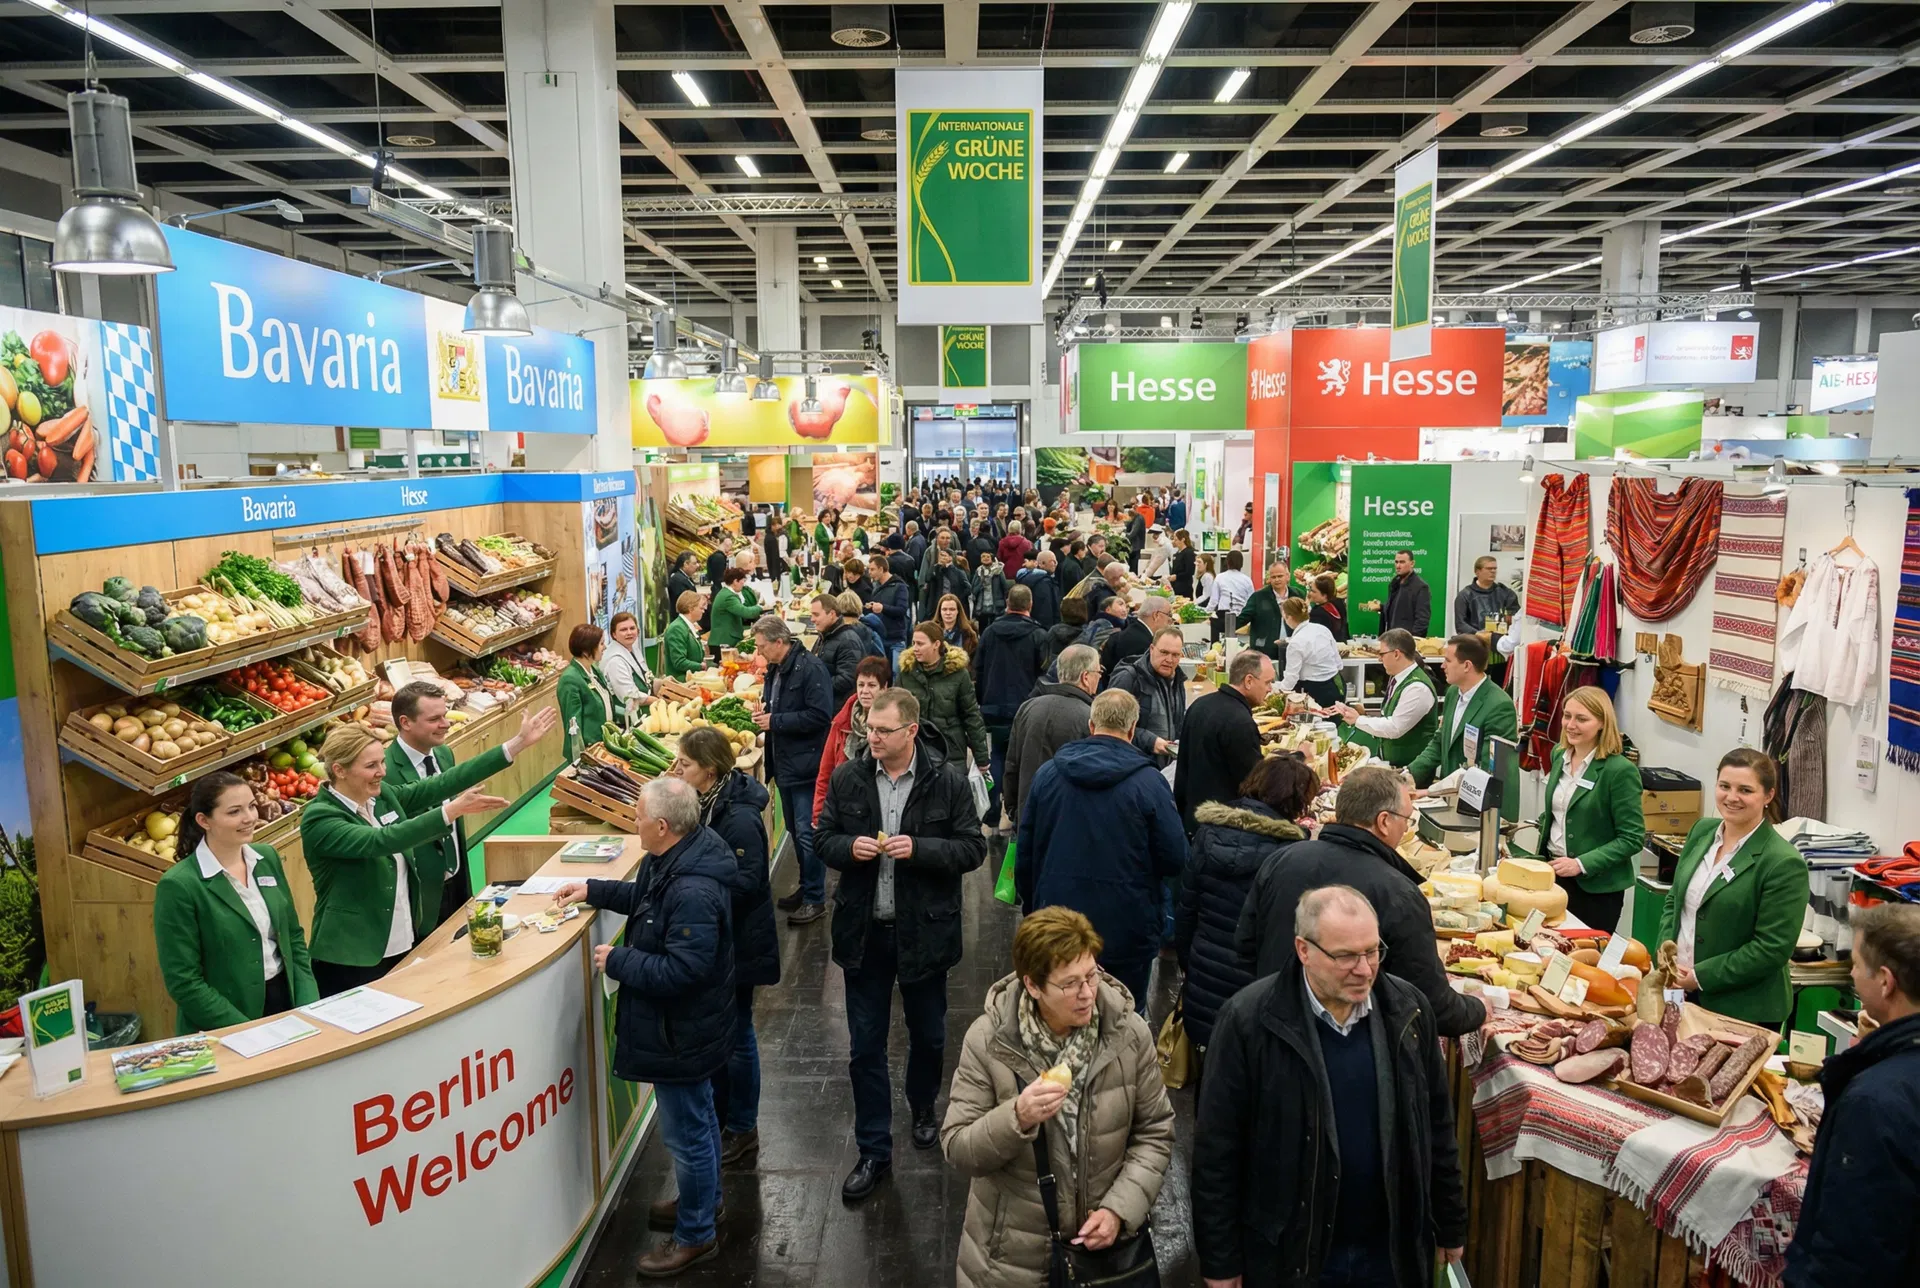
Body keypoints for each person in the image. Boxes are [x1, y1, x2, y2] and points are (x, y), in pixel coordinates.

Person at [1194, 885, 1467, 1288]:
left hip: (1388, 1254)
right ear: (1304, 950)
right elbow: (1217, 1150)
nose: (1364, 969)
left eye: (1372, 952)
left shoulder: (1408, 1012)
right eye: (1345, 956)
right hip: (1294, 1257)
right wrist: (1220, 1261)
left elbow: (1437, 1127)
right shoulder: (1249, 1022)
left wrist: (1450, 1223)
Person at [551, 777, 736, 1278]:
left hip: (681, 1032)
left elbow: (683, 970)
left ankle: (696, 1236)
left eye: (636, 816)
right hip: (684, 1028)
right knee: (695, 1124)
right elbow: (651, 903)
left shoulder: (694, 887)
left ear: (661, 825)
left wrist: (618, 961)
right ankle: (706, 1202)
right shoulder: (677, 857)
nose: (631, 822)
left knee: (688, 1133)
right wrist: (594, 889)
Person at [815, 688, 989, 1201]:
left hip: (925, 933)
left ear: (911, 731)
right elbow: (823, 838)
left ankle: (922, 1106)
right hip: (864, 935)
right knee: (864, 1046)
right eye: (868, 727)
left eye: (881, 730)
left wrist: (922, 849)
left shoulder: (947, 782)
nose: (870, 737)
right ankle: (873, 1148)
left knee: (929, 1035)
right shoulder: (849, 778)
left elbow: (974, 848)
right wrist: (850, 847)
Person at [943, 906, 1176, 1288]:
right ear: (1033, 985)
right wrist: (1016, 1116)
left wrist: (1121, 1209)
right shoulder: (989, 1042)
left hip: (1103, 1258)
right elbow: (958, 1147)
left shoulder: (1128, 1034)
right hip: (1011, 1257)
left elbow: (1155, 1131)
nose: (1087, 994)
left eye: (1092, 975)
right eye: (1070, 984)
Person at [1235, 765, 1488, 1037]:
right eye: (1406, 819)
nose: (1406, 828)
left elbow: (1245, 947)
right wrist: (1479, 1008)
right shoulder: (1399, 894)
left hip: (1273, 1032)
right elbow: (1433, 1007)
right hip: (1349, 1048)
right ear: (1383, 821)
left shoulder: (1282, 859)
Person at [301, 717, 544, 994]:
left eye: (382, 762)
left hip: (403, 940)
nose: (382, 771)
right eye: (371, 766)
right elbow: (381, 841)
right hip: (353, 956)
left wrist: (516, 745)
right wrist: (451, 811)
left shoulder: (381, 797)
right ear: (339, 770)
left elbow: (441, 784)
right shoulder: (321, 818)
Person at [1016, 689, 1188, 1015]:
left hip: (1059, 923)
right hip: (1129, 925)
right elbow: (1175, 857)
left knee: (1061, 1018)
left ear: (1091, 725)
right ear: (1133, 729)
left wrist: (1033, 910)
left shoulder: (1048, 775)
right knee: (1124, 1018)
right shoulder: (1150, 783)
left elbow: (1027, 852)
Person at [1784, 903, 1920, 1287]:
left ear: (1886, 982)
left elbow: (1851, 1250)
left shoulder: (1873, 1101)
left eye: (1857, 965)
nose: (1853, 973)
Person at [671, 728, 778, 1172]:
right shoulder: (707, 803)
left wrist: (697, 891)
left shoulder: (737, 818)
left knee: (738, 1038)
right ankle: (728, 1121)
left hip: (741, 945)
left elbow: (749, 881)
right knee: (727, 1035)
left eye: (685, 765)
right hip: (724, 941)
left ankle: (742, 1127)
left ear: (709, 771)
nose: (678, 770)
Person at [154, 771, 319, 1032]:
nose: (250, 818)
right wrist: (245, 1031)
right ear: (203, 820)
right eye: (234, 812)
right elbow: (184, 982)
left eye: (252, 806)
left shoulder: (266, 858)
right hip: (226, 1020)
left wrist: (309, 1005)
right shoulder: (180, 885)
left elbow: (293, 937)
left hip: (287, 1002)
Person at [1174, 755, 1315, 1056]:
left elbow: (1186, 909)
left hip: (1204, 975)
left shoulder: (1207, 834)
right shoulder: (1290, 855)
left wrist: (1191, 964)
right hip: (1253, 988)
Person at [1657, 749, 1810, 1026]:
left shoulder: (1782, 862)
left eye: (1745, 790)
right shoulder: (1702, 831)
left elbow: (1771, 948)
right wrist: (1666, 954)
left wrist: (1700, 977)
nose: (1732, 797)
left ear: (1768, 795)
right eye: (1724, 786)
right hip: (1678, 991)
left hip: (1742, 1010)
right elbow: (1674, 900)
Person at [388, 679, 535, 925]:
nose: (446, 724)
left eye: (445, 715)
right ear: (406, 722)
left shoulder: (444, 753)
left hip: (457, 880)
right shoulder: (387, 771)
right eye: (434, 719)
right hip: (420, 896)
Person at [1528, 686, 1646, 931]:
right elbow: (1562, 812)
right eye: (1567, 716)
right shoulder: (1559, 755)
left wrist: (1580, 864)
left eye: (1582, 719)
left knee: (1580, 960)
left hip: (1596, 889)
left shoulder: (1619, 771)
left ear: (1602, 723)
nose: (1571, 725)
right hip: (1553, 875)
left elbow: (1632, 838)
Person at [748, 618, 834, 928]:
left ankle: (815, 899)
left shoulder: (810, 669)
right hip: (786, 763)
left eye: (761, 646)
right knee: (799, 834)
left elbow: (821, 715)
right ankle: (807, 886)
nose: (758, 652)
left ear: (778, 642)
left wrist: (776, 721)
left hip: (806, 767)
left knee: (808, 833)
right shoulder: (777, 668)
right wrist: (765, 713)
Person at [974, 583, 1051, 829]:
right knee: (1023, 759)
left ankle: (993, 810)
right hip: (1026, 706)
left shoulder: (990, 632)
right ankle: (1017, 812)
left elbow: (979, 668)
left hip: (994, 705)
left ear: (1007, 604)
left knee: (997, 754)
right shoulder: (1039, 635)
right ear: (1030, 605)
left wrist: (982, 699)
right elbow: (1045, 672)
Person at [1175, 648, 1274, 835]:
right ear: (1249, 681)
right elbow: (1255, 783)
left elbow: (1183, 768)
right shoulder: (1240, 722)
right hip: (1221, 831)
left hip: (1190, 821)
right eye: (1268, 682)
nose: (1270, 689)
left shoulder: (1199, 705)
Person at [1003, 643, 1101, 830]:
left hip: (1027, 814)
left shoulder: (1028, 707)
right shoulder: (1089, 717)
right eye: (1098, 673)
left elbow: (1012, 765)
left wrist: (1013, 809)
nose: (1099, 678)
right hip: (1067, 822)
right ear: (1086, 677)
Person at [1405, 632, 1519, 789]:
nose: (1442, 666)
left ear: (1467, 666)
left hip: (1478, 802)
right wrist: (1408, 775)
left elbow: (1487, 770)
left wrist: (1431, 792)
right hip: (1448, 794)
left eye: (1448, 661)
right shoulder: (1453, 692)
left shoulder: (1499, 706)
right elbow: (1439, 742)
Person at [1332, 628, 1439, 769]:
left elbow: (1395, 727)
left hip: (1411, 768)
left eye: (1382, 654)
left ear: (1396, 654)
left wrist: (1358, 720)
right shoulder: (1398, 677)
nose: (1379, 658)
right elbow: (1388, 716)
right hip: (1392, 760)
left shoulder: (1417, 688)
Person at [897, 620, 991, 779]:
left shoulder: (958, 674)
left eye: (920, 643)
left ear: (936, 644)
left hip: (951, 752)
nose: (915, 648)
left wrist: (981, 757)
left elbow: (972, 716)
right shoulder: (906, 674)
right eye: (913, 643)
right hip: (916, 752)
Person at [814, 655, 893, 822]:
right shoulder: (841, 722)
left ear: (884, 687)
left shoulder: (895, 725)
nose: (864, 691)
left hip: (881, 810)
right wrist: (819, 814)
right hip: (845, 809)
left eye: (872, 685)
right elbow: (826, 772)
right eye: (860, 685)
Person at [1108, 625, 1186, 759]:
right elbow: (1111, 727)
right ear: (1151, 649)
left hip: (1166, 767)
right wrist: (1151, 742)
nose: (1169, 660)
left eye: (1175, 655)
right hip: (1135, 764)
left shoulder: (1178, 680)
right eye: (1164, 652)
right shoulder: (1129, 678)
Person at [813, 591, 879, 709]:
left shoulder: (848, 640)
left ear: (832, 614)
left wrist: (815, 683)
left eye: (816, 615)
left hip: (838, 707)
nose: (812, 619)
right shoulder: (826, 635)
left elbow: (848, 678)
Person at [1276, 597, 1343, 707]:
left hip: (1314, 691)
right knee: (1336, 721)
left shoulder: (1296, 643)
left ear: (1289, 617)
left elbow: (1291, 679)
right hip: (1335, 684)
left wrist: (1276, 690)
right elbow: (1338, 662)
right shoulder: (1322, 629)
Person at [601, 611, 656, 723]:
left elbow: (646, 677)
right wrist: (658, 701)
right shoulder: (615, 661)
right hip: (627, 718)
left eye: (632, 628)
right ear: (614, 634)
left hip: (645, 710)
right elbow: (630, 695)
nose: (629, 632)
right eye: (623, 630)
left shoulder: (633, 648)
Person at [1100, 594, 1174, 675]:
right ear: (1156, 615)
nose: (1171, 620)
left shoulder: (1130, 631)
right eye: (1169, 615)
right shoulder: (1144, 644)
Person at [1240, 562, 1290, 661]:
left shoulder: (1297, 594)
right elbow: (1243, 618)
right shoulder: (1258, 597)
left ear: (1287, 576)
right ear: (1269, 579)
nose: (1277, 580)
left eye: (1280, 576)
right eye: (1273, 577)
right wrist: (1223, 623)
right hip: (1264, 651)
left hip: (1291, 650)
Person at [865, 552, 912, 657]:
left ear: (881, 569)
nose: (869, 573)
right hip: (880, 637)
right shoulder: (876, 586)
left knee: (896, 672)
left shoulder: (900, 587)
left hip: (896, 639)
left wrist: (883, 608)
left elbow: (902, 610)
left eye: (872, 569)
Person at [709, 565, 763, 652]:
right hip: (723, 642)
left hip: (723, 641)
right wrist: (760, 607)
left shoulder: (725, 593)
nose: (743, 585)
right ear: (735, 581)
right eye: (742, 582)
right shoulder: (729, 597)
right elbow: (746, 612)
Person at [1379, 548, 1432, 637]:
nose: (1398, 566)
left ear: (1412, 563)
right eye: (1396, 562)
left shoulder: (1421, 587)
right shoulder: (1394, 584)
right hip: (1391, 639)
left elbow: (1422, 620)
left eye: (1402, 562)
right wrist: (1381, 607)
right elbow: (1397, 609)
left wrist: (1412, 641)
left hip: (1406, 643)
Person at [663, 590, 707, 681]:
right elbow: (679, 662)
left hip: (692, 679)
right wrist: (700, 666)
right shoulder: (677, 628)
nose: (703, 611)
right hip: (680, 682)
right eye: (701, 608)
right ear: (691, 608)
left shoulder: (688, 625)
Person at [1015, 551, 1062, 628]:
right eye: (1052, 561)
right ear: (1041, 564)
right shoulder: (1044, 583)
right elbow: (1046, 610)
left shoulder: (1026, 578)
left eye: (1055, 561)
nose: (1055, 564)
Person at [934, 592, 979, 657]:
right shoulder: (931, 632)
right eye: (944, 609)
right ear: (939, 611)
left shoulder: (969, 634)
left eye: (952, 609)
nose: (948, 613)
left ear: (958, 611)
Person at [1307, 573, 1349, 643]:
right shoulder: (1340, 604)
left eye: (1313, 591)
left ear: (1324, 595)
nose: (1310, 593)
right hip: (1341, 645)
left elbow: (1311, 637)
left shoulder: (1317, 613)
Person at [668, 551, 702, 618]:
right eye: (694, 563)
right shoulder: (678, 580)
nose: (697, 565)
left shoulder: (685, 577)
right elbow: (685, 603)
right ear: (686, 564)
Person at [1170, 529, 1197, 598]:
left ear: (1182, 540)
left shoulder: (1189, 553)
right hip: (1175, 586)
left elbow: (1190, 571)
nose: (1174, 542)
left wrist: (1177, 577)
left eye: (1176, 540)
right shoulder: (1177, 553)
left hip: (1184, 587)